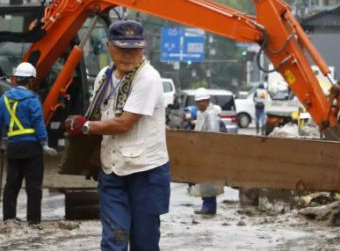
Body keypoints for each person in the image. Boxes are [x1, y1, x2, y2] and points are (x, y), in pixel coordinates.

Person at [64, 20, 170, 251]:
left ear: (143, 49)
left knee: (145, 242)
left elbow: (123, 124)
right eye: (122, 49)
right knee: (114, 238)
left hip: (146, 171)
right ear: (109, 47)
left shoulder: (148, 78)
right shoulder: (104, 75)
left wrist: (85, 127)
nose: (129, 55)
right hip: (112, 169)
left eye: (134, 49)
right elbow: (99, 113)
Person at [0, 62, 57, 224]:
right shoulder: (32, 99)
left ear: (16, 79)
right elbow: (38, 122)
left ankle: (9, 219)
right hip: (32, 148)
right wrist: (44, 143)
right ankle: (33, 221)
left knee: (11, 184)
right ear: (31, 81)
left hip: (13, 147)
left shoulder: (3, 100)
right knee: (33, 186)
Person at [190, 88, 223, 216]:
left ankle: (209, 207)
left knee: (208, 182)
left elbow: (212, 135)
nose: (200, 104)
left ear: (207, 101)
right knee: (204, 182)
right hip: (202, 152)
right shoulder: (203, 114)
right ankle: (207, 205)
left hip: (209, 152)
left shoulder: (211, 114)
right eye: (198, 102)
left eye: (202, 101)